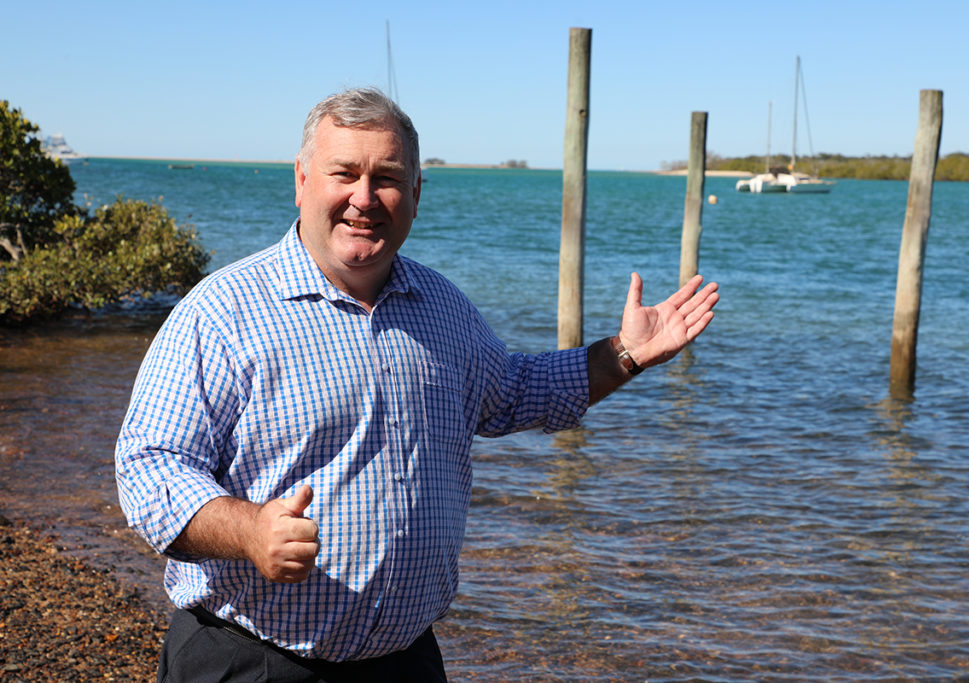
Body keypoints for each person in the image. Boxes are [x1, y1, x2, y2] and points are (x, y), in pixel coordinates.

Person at [115, 87, 719, 682]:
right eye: (344, 173)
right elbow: (149, 467)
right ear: (302, 180)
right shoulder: (223, 311)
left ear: (416, 193)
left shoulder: (443, 306)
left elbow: (513, 391)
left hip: (405, 661)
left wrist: (624, 356)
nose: (364, 198)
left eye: (387, 178)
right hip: (252, 660)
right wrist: (249, 531)